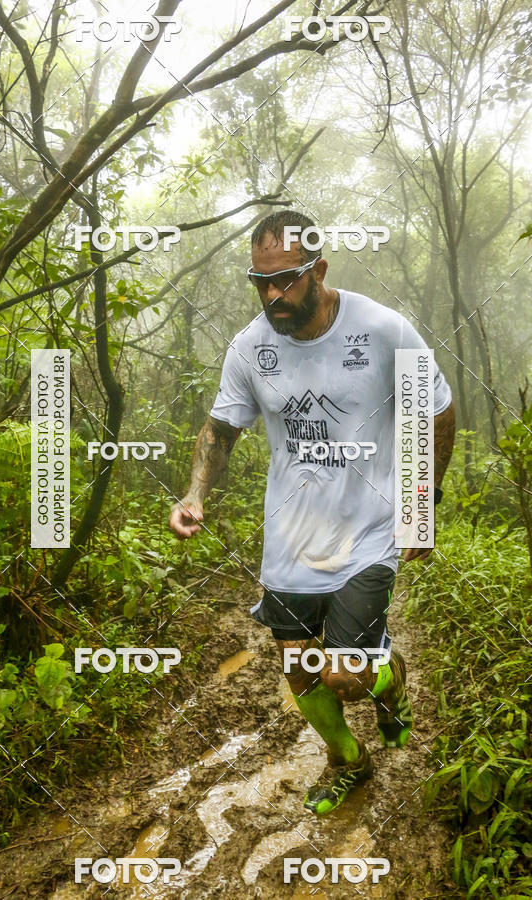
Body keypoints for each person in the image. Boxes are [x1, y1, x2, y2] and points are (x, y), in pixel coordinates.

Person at [169, 210, 455, 815]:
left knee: (342, 675)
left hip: (368, 536)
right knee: (301, 674)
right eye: (261, 281)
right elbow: (221, 430)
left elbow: (434, 412)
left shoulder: (381, 330)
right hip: (290, 545)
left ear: (319, 270)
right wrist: (195, 493)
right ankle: (348, 759)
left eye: (288, 279)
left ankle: (389, 677)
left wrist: (420, 503)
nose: (273, 294)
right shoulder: (249, 347)